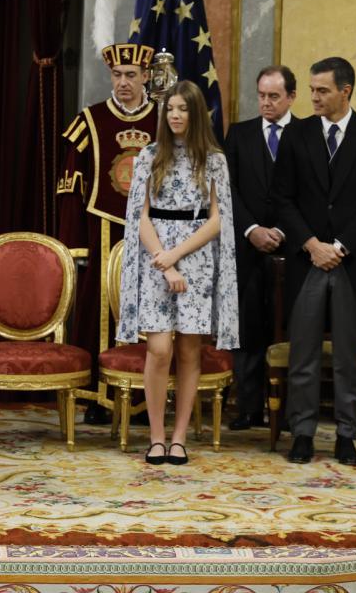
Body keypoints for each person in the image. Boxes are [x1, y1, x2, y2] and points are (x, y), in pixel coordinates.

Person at [272, 56, 356, 467]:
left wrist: (339, 246)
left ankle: (346, 434)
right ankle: (302, 432)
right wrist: (310, 244)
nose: (314, 98)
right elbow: (281, 198)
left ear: (345, 91)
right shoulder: (297, 134)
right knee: (302, 353)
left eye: (322, 90)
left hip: (349, 262)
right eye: (311, 90)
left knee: (348, 356)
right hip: (308, 260)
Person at [117, 80, 239, 466]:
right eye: (170, 108)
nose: (175, 115)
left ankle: (179, 438)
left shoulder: (214, 159)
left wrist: (176, 258)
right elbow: (140, 216)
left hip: (197, 259)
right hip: (156, 261)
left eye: (183, 109)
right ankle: (155, 436)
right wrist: (162, 259)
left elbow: (218, 220)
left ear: (196, 113)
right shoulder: (149, 156)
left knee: (189, 351)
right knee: (159, 349)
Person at [57, 0, 159, 424]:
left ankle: (145, 398)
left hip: (157, 231)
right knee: (100, 308)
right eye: (117, 73)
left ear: (145, 76)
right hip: (102, 228)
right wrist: (72, 243)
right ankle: (98, 399)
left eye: (131, 74)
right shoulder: (91, 120)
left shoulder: (168, 120)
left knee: (152, 309)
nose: (123, 82)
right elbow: (69, 184)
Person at [222, 65, 294, 431]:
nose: (266, 103)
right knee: (247, 330)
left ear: (291, 97)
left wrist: (282, 229)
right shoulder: (239, 134)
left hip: (293, 248)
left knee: (292, 331)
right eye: (261, 96)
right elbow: (226, 190)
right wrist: (251, 229)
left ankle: (290, 413)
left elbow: (310, 192)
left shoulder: (307, 134)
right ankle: (248, 407)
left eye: (274, 97)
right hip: (246, 249)